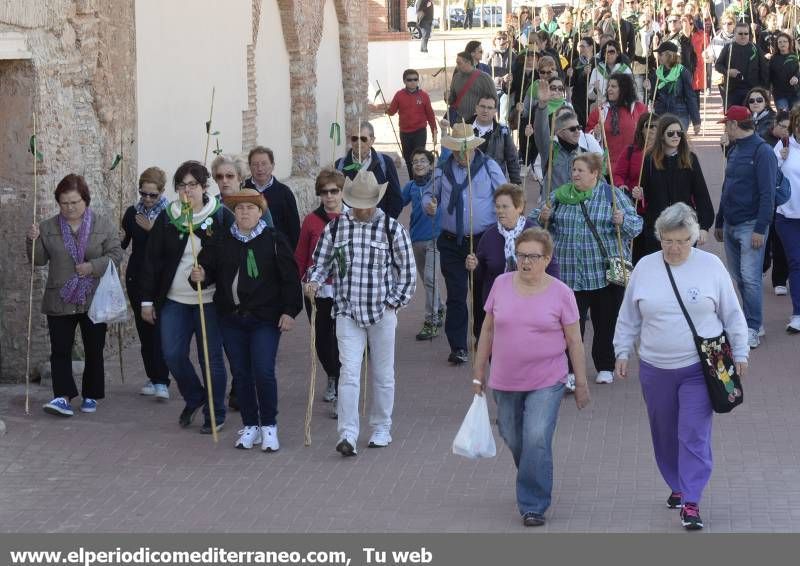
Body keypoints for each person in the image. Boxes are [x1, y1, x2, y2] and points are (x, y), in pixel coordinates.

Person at [614, 202, 749, 531]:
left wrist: (741, 352)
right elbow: (629, 315)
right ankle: (676, 482)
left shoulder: (711, 266)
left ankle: (691, 500)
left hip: (699, 368)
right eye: (667, 240)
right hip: (655, 367)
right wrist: (621, 351)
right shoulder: (645, 267)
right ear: (658, 236)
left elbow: (732, 313)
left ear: (694, 237)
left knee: (692, 432)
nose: (674, 248)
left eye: (682, 241)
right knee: (664, 432)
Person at [472, 228, 590, 527]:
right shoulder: (500, 285)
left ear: (547, 258)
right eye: (521, 255)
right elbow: (487, 329)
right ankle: (533, 473)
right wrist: (478, 372)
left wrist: (581, 383)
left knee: (536, 436)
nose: (525, 262)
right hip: (505, 379)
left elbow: (575, 341)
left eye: (533, 257)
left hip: (547, 379)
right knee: (512, 436)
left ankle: (533, 503)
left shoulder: (561, 293)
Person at [305, 169, 416, 457]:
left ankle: (381, 427)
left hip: (382, 312)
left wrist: (394, 302)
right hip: (347, 311)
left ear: (376, 202)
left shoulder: (392, 229)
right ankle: (348, 434)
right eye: (356, 203)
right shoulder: (336, 228)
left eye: (366, 203)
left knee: (383, 374)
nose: (362, 208)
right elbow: (320, 262)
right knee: (349, 374)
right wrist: (314, 281)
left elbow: (408, 272)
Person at [192, 189, 302, 451]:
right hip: (232, 319)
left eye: (250, 208)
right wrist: (200, 275)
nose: (244, 212)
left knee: (263, 371)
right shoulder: (222, 240)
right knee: (241, 374)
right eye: (239, 208)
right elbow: (208, 271)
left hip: (265, 318)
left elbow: (289, 278)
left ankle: (269, 426)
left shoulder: (273, 239)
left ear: (260, 212)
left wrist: (289, 311)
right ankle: (250, 424)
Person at [140, 161, 234, 433]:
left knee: (211, 359)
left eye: (193, 185)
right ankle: (194, 396)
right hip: (175, 300)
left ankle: (215, 412)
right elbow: (152, 260)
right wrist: (147, 300)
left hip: (209, 300)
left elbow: (228, 260)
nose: (187, 191)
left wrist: (208, 273)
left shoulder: (220, 217)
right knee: (172, 353)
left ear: (204, 187)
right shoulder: (169, 218)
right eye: (182, 185)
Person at [536, 153, 642, 384]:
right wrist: (543, 217)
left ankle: (605, 365)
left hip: (603, 275)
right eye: (574, 169)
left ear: (595, 174)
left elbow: (637, 226)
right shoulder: (559, 196)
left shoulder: (611, 196)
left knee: (606, 322)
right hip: (570, 275)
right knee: (570, 326)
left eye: (581, 170)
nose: (575, 174)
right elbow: (536, 224)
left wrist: (622, 220)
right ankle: (571, 371)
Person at [26, 174, 123, 417]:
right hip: (60, 297)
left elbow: (116, 254)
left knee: (94, 349)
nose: (69, 208)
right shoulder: (48, 227)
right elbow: (38, 261)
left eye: (74, 202)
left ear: (86, 201)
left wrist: (93, 267)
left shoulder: (103, 225)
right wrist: (32, 241)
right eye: (64, 203)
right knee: (60, 349)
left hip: (93, 297)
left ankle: (91, 394)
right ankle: (62, 397)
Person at [422, 123, 506, 365]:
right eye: (457, 150)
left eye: (465, 149)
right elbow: (429, 194)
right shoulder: (442, 171)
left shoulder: (489, 166)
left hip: (483, 240)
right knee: (457, 294)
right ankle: (458, 346)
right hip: (451, 241)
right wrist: (429, 204)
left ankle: (483, 340)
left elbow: (504, 193)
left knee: (482, 293)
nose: (461, 154)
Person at [714, 105, 778, 348]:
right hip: (731, 222)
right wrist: (720, 220)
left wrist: (761, 229)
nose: (726, 129)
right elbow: (726, 186)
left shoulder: (763, 152)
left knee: (750, 279)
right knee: (739, 278)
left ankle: (753, 326)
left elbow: (767, 194)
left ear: (734, 125)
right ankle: (750, 320)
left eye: (727, 124)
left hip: (751, 225)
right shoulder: (734, 149)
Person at [465, 184, 560, 337]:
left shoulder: (535, 234)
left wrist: (551, 297)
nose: (500, 211)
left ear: (519, 207)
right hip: (499, 308)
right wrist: (474, 267)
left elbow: (552, 268)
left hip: (532, 305)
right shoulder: (488, 236)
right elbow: (480, 277)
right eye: (497, 206)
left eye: (505, 206)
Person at [295, 168, 347, 418]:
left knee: (343, 338)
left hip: (347, 290)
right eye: (324, 192)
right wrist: (304, 282)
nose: (329, 196)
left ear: (342, 191)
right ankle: (333, 374)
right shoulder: (311, 221)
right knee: (322, 339)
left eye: (334, 191)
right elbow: (302, 256)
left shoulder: (353, 217)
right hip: (318, 289)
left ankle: (342, 387)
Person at [631, 114, 715, 263]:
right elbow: (644, 190)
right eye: (671, 133)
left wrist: (704, 227)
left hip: (684, 225)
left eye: (679, 133)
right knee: (659, 268)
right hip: (658, 226)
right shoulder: (650, 159)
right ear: (662, 135)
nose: (676, 136)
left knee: (684, 266)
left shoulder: (690, 158)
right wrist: (639, 193)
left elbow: (701, 194)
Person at [121, 167, 171, 400]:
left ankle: (163, 380)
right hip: (137, 277)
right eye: (144, 194)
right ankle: (152, 376)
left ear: (162, 192)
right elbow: (122, 242)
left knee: (159, 329)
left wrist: (153, 230)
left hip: (162, 280)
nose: (148, 199)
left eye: (153, 195)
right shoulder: (132, 213)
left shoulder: (171, 213)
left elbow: (172, 247)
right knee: (144, 330)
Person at [532, 82, 604, 199]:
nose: (577, 131)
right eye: (572, 129)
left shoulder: (586, 155)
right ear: (559, 132)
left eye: (578, 127)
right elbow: (540, 131)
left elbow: (601, 182)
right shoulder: (550, 150)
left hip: (576, 213)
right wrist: (542, 105)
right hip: (553, 212)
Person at [401, 148, 444, 341]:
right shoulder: (410, 187)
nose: (418, 164)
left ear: (431, 165)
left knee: (429, 279)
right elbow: (396, 203)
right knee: (428, 281)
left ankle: (431, 321)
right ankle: (440, 308)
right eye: (415, 162)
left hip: (436, 238)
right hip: (416, 238)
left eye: (423, 161)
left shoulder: (439, 184)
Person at [335, 121, 403, 219]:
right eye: (354, 138)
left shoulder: (385, 163)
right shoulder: (339, 165)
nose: (358, 143)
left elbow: (396, 199)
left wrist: (385, 224)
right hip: (349, 227)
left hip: (378, 226)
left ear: (372, 140)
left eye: (363, 139)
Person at [586, 72, 647, 171]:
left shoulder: (639, 109)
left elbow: (648, 134)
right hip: (608, 168)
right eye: (608, 86)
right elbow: (587, 137)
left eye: (613, 86)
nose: (609, 89)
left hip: (633, 166)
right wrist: (596, 134)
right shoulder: (600, 111)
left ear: (624, 89)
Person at [774, 108, 800, 334]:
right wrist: (780, 162)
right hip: (788, 216)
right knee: (796, 262)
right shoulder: (784, 146)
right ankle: (798, 314)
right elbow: (771, 177)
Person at [243, 146, 300, 249]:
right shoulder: (243, 190)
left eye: (264, 164)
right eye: (255, 164)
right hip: (248, 248)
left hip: (277, 250)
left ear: (272, 165)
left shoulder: (284, 193)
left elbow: (294, 228)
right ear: (249, 167)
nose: (260, 168)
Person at [386, 69, 438, 178]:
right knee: (408, 159)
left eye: (415, 79)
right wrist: (387, 110)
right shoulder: (399, 95)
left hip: (420, 131)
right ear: (404, 81)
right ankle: (412, 180)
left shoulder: (424, 96)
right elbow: (392, 111)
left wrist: (434, 131)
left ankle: (421, 179)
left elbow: (430, 115)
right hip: (405, 132)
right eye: (409, 80)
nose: (413, 82)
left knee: (419, 158)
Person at [762, 111, 790, 297]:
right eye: (784, 127)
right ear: (776, 125)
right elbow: (770, 171)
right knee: (772, 237)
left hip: (794, 202)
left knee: (784, 243)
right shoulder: (774, 144)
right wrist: (780, 157)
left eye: (791, 127)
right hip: (776, 201)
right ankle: (773, 274)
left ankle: (782, 276)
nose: (787, 131)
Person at [645, 42, 701, 133]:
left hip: (680, 115)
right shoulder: (658, 73)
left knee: (677, 142)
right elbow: (654, 97)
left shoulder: (682, 72)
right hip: (661, 115)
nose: (658, 57)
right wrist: (649, 88)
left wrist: (696, 121)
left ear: (669, 55)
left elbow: (690, 97)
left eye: (660, 54)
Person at [714, 21, 769, 109]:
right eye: (740, 33)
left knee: (751, 119)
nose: (743, 36)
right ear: (735, 34)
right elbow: (718, 65)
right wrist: (728, 71)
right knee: (734, 119)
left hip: (752, 90)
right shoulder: (728, 48)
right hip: (733, 90)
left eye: (746, 33)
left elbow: (764, 69)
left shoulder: (755, 48)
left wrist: (765, 88)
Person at [467, 95, 521, 184]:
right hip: (469, 185)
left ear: (495, 111)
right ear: (476, 108)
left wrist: (516, 184)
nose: (485, 110)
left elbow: (512, 160)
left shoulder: (503, 132)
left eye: (490, 108)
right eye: (482, 106)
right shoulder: (464, 129)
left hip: (494, 185)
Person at [613, 111, 659, 215]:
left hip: (657, 207)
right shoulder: (630, 151)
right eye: (650, 126)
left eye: (658, 126)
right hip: (634, 207)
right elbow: (618, 175)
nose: (654, 129)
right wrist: (621, 185)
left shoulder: (664, 152)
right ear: (642, 129)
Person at [446, 51, 497, 125]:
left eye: (459, 63)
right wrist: (447, 97)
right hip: (459, 123)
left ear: (469, 62)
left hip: (478, 123)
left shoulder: (485, 78)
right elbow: (452, 100)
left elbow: (495, 100)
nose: (457, 66)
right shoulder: (456, 78)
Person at [587, 40, 633, 106]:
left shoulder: (625, 70)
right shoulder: (596, 71)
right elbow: (590, 96)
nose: (608, 54)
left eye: (611, 52)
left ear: (617, 53)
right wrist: (594, 90)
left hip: (622, 106)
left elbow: (632, 91)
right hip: (603, 108)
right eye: (605, 52)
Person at [484, 31, 516, 124]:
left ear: (508, 41)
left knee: (504, 119)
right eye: (499, 38)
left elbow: (515, 72)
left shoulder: (512, 55)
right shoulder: (489, 54)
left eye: (504, 38)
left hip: (507, 90)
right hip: (492, 90)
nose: (502, 40)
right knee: (492, 117)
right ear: (495, 41)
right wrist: (489, 58)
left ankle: (504, 136)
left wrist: (510, 77)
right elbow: (484, 73)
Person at [769, 33, 799, 111]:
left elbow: (798, 71)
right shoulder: (773, 59)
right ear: (777, 45)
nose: (782, 44)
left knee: (795, 118)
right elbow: (769, 76)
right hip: (780, 95)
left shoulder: (794, 56)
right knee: (784, 118)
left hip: (795, 93)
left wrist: (796, 77)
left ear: (789, 43)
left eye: (785, 41)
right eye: (780, 42)